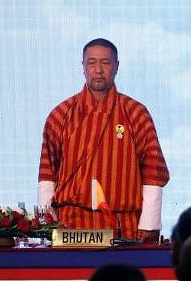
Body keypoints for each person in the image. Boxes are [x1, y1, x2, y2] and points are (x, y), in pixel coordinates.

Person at [38, 38, 170, 242]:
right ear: (83, 67)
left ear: (116, 67)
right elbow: (48, 173)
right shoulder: (60, 115)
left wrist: (149, 225)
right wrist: (47, 224)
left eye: (105, 63)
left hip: (123, 226)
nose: (98, 70)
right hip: (71, 227)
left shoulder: (136, 113)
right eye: (91, 63)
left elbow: (153, 171)